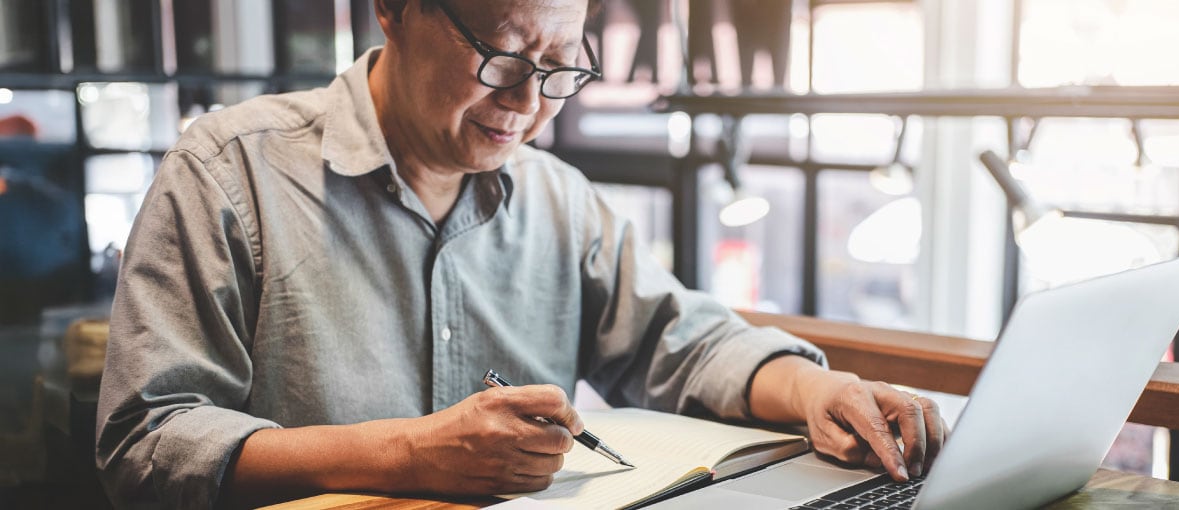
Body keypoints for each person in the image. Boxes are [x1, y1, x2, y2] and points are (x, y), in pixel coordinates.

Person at [95, 0, 946, 508]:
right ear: (393, 8)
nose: (528, 104)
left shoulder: (554, 196)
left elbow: (676, 340)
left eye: (558, 68)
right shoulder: (228, 171)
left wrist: (820, 390)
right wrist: (407, 454)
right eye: (502, 56)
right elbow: (146, 444)